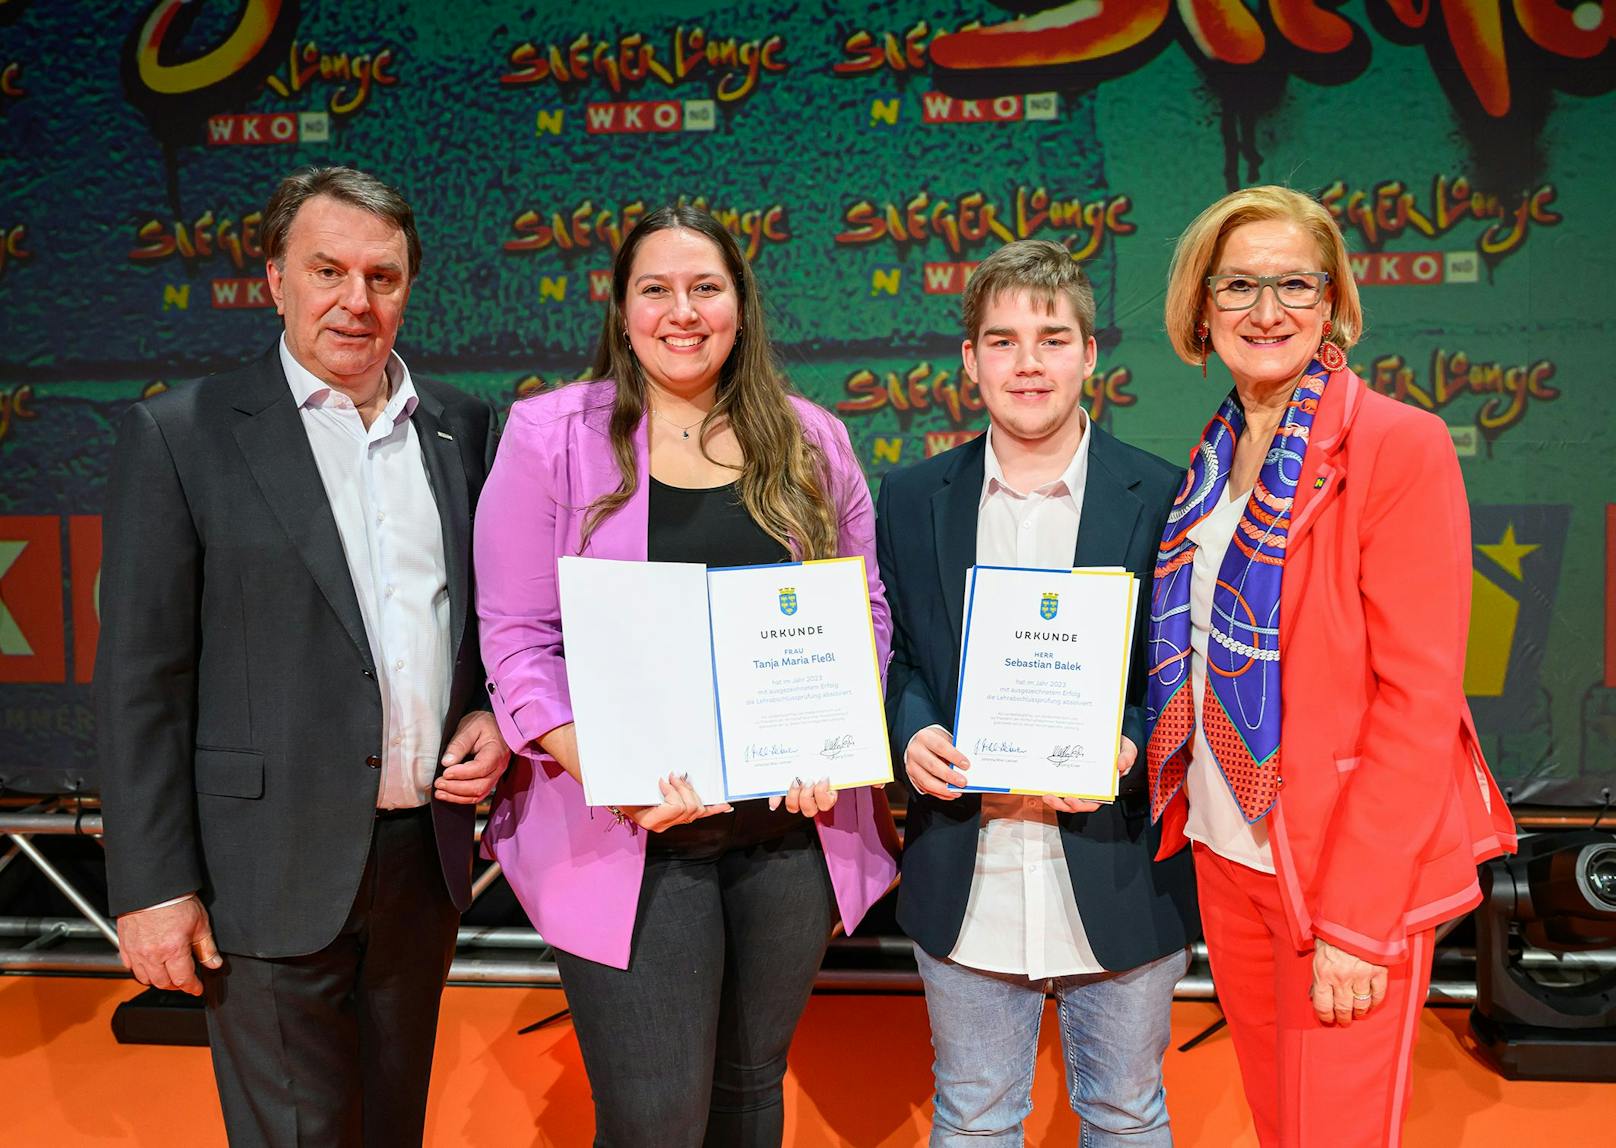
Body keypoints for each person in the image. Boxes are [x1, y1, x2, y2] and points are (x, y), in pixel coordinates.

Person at [96, 166, 508, 1147]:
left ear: (410, 287)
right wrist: (152, 885)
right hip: (261, 869)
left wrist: (492, 711)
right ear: (273, 278)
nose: (355, 301)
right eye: (327, 269)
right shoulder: (180, 434)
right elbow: (140, 682)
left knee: (389, 1129)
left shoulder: (463, 428)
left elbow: (491, 622)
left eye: (383, 275)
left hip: (421, 869)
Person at [473, 204, 899, 1147]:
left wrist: (834, 735)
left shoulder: (811, 441)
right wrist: (609, 771)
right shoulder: (550, 437)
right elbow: (514, 639)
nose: (682, 311)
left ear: (740, 304)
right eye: (655, 289)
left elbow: (861, 611)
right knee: (656, 1116)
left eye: (705, 288)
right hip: (627, 832)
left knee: (750, 1093)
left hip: (788, 830)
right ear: (620, 308)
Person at [1147, 185, 1518, 1147]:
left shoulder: (1399, 444)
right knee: (1284, 1129)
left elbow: (1419, 701)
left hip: (1345, 873)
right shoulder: (1212, 458)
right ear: (1201, 310)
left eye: (1293, 285)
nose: (1265, 312)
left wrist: (1356, 924)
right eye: (1237, 287)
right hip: (1232, 856)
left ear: (1335, 304)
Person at [877, 239, 1199, 1146]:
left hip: (1117, 858)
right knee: (974, 1119)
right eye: (1003, 340)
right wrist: (912, 732)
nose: (1029, 364)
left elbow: (1180, 670)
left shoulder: (1166, 495)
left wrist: (1129, 742)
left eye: (1053, 338)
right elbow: (897, 654)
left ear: (1091, 355)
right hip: (965, 867)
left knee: (1127, 1113)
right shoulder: (909, 497)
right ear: (968, 359)